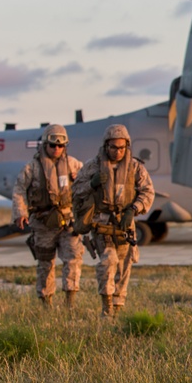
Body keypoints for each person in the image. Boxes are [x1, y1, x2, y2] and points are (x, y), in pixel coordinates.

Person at [72, 124, 155, 319]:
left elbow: (148, 191)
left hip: (125, 224)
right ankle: (106, 305)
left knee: (124, 267)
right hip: (102, 223)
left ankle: (118, 306)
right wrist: (91, 184)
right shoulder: (93, 166)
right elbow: (75, 191)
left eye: (121, 147)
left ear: (127, 146)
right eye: (113, 147)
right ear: (105, 146)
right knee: (108, 262)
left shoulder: (135, 167)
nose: (117, 152)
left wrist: (134, 209)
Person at [11, 124, 84, 308]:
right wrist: (20, 212)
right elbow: (19, 190)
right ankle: (46, 304)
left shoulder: (75, 165)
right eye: (53, 145)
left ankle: (71, 303)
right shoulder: (31, 168)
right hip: (43, 223)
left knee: (73, 259)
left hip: (69, 222)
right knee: (45, 264)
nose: (56, 149)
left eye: (60, 146)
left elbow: (90, 185)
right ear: (45, 145)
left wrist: (81, 179)